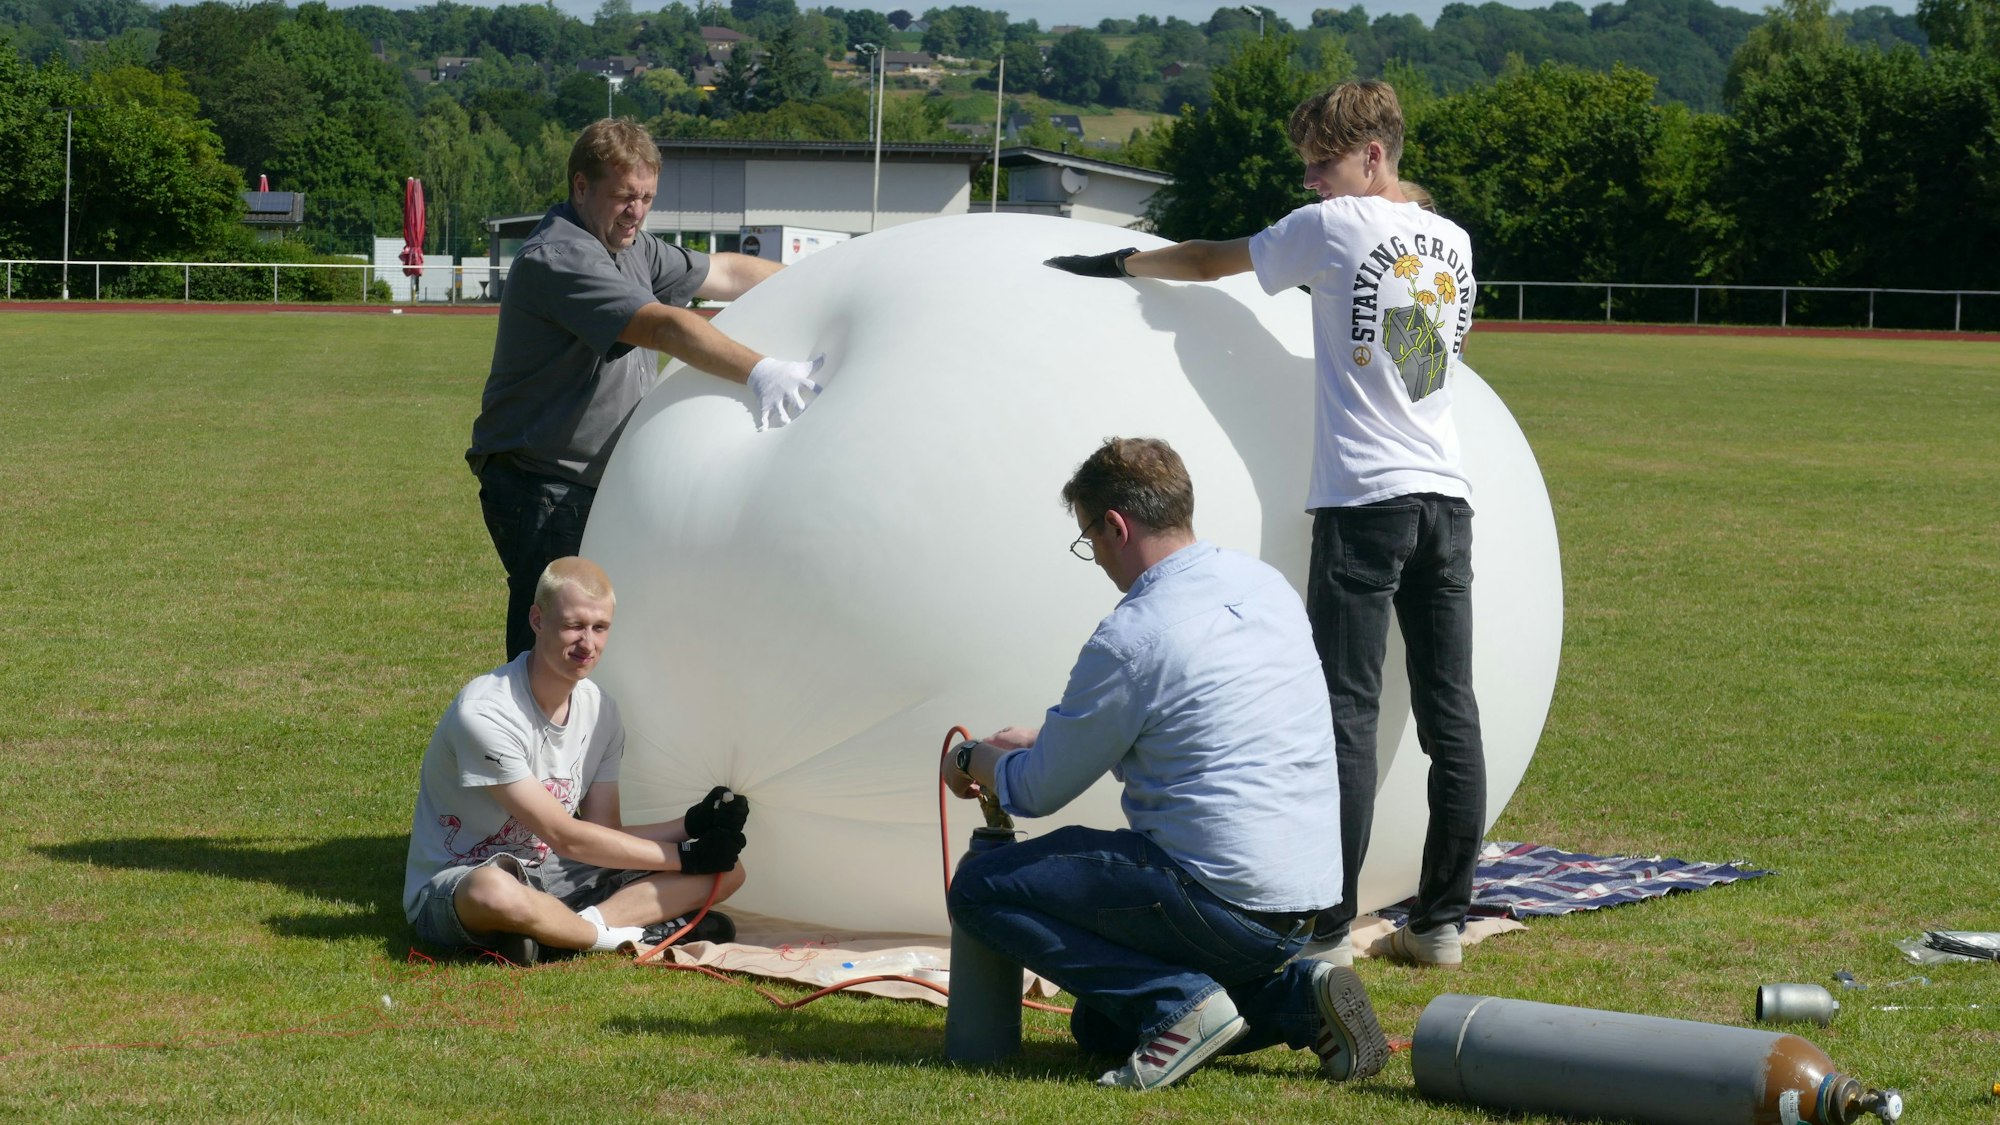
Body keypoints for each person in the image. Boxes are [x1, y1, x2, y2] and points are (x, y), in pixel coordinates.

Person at [1045, 81, 1484, 970]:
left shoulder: (1329, 229)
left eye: (1323, 164)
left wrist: (1129, 264)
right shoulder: (1451, 240)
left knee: (1345, 716)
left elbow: (1213, 262)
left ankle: (1325, 926)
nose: (1313, 182)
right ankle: (1442, 921)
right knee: (1452, 714)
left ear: (1372, 155)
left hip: (1366, 501)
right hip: (1447, 498)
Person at [942, 437, 1389, 1092]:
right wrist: (1043, 734)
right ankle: (1299, 995)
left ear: (1115, 526)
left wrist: (972, 757)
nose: (1094, 556)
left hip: (1215, 896)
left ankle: (1177, 1000)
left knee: (980, 885)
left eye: (1089, 538)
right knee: (1098, 1030)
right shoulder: (1263, 586)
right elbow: (1187, 714)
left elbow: (1037, 790)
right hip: (1302, 904)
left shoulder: (1134, 633)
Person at [469, 117, 827, 660]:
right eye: (624, 197)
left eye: (646, 197)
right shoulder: (562, 258)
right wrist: (761, 371)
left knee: (603, 637)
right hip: (542, 486)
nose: (637, 211)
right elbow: (663, 326)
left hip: (587, 480)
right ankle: (524, 743)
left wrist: (825, 277)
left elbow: (725, 272)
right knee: (555, 645)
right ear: (581, 187)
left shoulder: (630, 244)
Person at [404, 556, 749, 965]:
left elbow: (603, 833)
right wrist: (685, 855)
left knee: (729, 871)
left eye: (599, 628)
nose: (588, 643)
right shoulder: (484, 712)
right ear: (536, 619)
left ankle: (557, 934)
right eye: (573, 626)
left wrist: (689, 825)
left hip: (555, 869)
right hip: (462, 880)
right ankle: (607, 936)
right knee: (493, 891)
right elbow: (566, 834)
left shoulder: (602, 710)